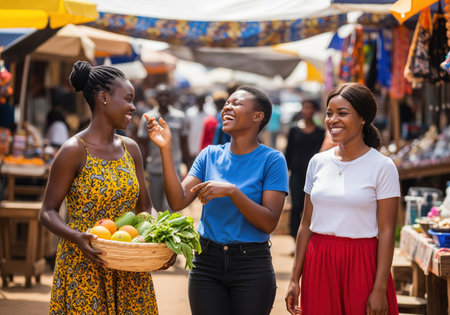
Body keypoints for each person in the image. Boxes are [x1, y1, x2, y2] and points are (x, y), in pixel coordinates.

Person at [40, 61, 171, 314]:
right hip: (84, 263)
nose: (133, 106)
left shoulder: (130, 148)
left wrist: (157, 243)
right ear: (103, 98)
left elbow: (145, 207)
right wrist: (76, 237)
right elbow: (47, 211)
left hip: (129, 266)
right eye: (128, 99)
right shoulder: (73, 151)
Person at [145, 85, 289, 315]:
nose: (227, 108)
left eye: (236, 103)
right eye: (226, 103)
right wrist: (166, 149)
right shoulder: (209, 155)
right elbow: (178, 201)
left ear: (258, 116)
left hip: (251, 264)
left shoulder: (272, 160)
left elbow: (268, 222)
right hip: (206, 263)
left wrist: (233, 192)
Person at [285, 82, 400, 315]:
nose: (332, 120)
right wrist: (294, 278)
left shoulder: (382, 166)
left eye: (342, 113)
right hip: (319, 262)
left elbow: (387, 232)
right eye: (329, 113)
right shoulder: (317, 162)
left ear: (363, 118)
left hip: (362, 262)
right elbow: (306, 224)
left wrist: (379, 289)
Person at [137, 83, 190, 212]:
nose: (163, 98)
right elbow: (142, 145)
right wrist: (141, 169)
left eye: (166, 95)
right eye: (161, 95)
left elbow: (184, 144)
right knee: (156, 208)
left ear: (171, 97)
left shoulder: (180, 117)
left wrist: (188, 166)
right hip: (154, 170)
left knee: (172, 208)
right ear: (156, 97)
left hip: (174, 170)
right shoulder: (148, 119)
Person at [284, 99, 325, 247]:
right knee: (296, 206)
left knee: (313, 207)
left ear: (315, 110)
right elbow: (288, 152)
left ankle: (310, 240)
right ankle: (296, 239)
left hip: (315, 175)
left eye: (310, 107)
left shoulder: (321, 131)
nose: (307, 110)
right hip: (296, 174)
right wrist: (286, 174)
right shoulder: (294, 129)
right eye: (305, 107)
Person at [186, 93, 209, 168]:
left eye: (202, 101)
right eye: (198, 101)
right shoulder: (190, 113)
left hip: (205, 149)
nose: (200, 103)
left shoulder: (209, 114)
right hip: (192, 148)